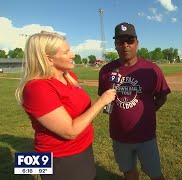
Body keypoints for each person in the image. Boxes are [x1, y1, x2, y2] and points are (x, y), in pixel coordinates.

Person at [15, 31, 116, 180]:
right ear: (49, 59)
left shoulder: (69, 77)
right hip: (60, 158)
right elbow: (70, 131)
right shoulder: (37, 88)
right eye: (66, 52)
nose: (73, 55)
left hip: (83, 148)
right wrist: (101, 102)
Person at [98, 22, 170, 180]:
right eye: (120, 41)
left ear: (137, 43)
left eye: (130, 41)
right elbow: (104, 99)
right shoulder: (106, 71)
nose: (125, 45)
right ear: (115, 44)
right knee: (129, 172)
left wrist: (149, 110)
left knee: (156, 174)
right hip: (119, 135)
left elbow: (162, 96)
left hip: (146, 135)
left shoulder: (151, 69)